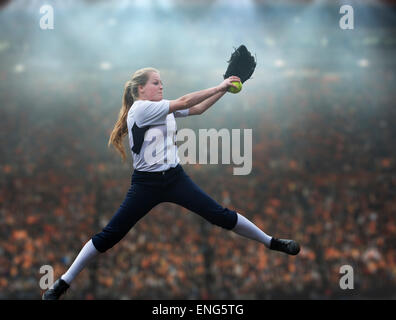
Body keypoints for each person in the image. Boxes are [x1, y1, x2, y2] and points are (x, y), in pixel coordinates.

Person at [42, 67, 300, 300]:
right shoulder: (141, 109)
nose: (161, 86)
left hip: (175, 178)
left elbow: (198, 108)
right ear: (140, 89)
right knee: (110, 235)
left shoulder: (163, 107)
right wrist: (221, 85)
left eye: (161, 82)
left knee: (219, 214)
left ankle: (271, 242)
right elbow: (187, 101)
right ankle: (63, 283)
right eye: (155, 82)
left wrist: (225, 87)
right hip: (146, 184)